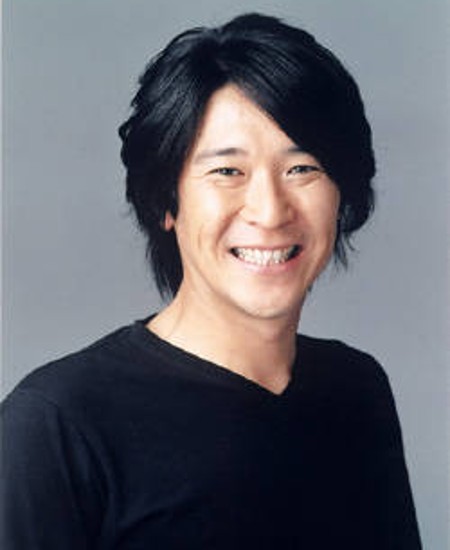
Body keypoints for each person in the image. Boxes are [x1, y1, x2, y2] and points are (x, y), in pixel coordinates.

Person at [1, 13, 422, 549]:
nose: (270, 211)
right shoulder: (55, 426)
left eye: (302, 169)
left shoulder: (356, 390)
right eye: (228, 172)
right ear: (165, 201)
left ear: (342, 193)